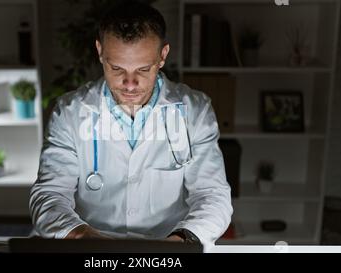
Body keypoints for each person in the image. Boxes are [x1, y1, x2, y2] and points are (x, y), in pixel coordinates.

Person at [30, 1, 232, 250]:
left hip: (169, 247)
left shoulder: (195, 111)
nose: (130, 83)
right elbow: (49, 195)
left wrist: (179, 243)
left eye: (143, 69)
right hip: (90, 249)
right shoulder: (70, 112)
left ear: (163, 56)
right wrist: (83, 238)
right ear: (100, 51)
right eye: (116, 68)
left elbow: (212, 195)